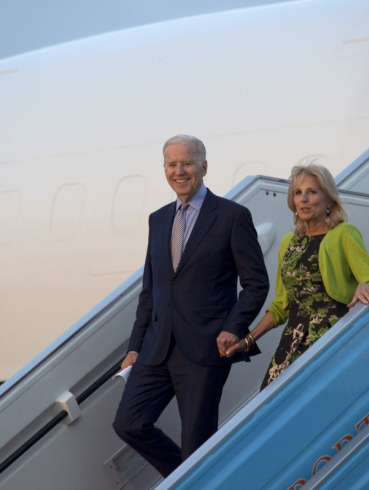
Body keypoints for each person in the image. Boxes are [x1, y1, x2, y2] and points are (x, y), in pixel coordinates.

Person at [112, 134, 269, 477]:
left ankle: (195, 477)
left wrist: (232, 327)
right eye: (172, 164)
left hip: (203, 349)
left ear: (204, 166)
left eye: (187, 163)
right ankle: (190, 478)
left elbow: (257, 283)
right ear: (165, 168)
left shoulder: (232, 216)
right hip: (156, 349)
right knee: (129, 424)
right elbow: (150, 292)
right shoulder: (158, 219)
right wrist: (135, 347)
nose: (179, 171)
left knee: (198, 444)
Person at [225, 162, 369, 389]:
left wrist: (363, 285)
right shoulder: (289, 243)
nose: (304, 199)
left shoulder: (344, 234)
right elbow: (281, 306)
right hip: (292, 341)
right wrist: (247, 340)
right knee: (269, 403)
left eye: (312, 192)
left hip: (331, 337)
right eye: (298, 193)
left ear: (328, 199)